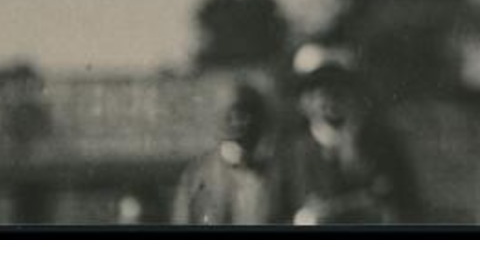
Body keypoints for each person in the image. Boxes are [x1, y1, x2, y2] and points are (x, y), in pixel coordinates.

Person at [280, 46, 423, 224]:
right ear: (304, 99)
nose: (329, 98)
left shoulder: (380, 145)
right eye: (319, 90)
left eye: (338, 88)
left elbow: (402, 202)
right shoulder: (293, 152)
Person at [171, 81, 283, 225]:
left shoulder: (276, 172)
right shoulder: (197, 175)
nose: (239, 122)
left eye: (248, 114)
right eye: (234, 114)